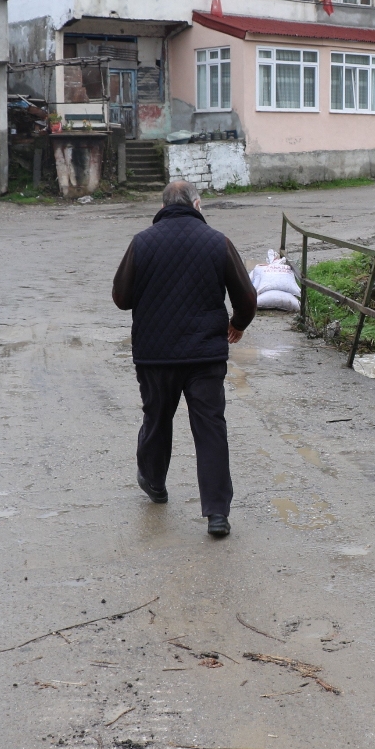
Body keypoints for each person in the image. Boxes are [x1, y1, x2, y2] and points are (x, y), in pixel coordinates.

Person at [112, 180, 257, 538]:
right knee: (210, 429)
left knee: (157, 419)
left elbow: (121, 297)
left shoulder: (141, 243)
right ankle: (217, 514)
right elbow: (248, 298)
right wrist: (237, 324)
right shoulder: (217, 242)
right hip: (205, 355)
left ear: (163, 205)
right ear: (198, 203)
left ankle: (154, 482)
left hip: (155, 355)